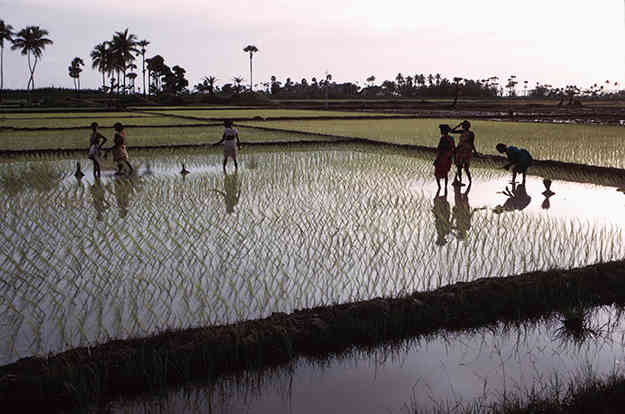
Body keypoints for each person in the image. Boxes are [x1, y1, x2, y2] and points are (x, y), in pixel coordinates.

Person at [450, 120, 477, 186]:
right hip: (460, 150)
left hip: (466, 150)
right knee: (459, 166)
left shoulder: (471, 133)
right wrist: (458, 125)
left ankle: (468, 181)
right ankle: (461, 181)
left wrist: (475, 151)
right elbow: (451, 131)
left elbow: (472, 143)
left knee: (465, 167)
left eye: (463, 125)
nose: (462, 126)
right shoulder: (463, 132)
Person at [434, 124, 455, 195]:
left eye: (441, 130)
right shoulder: (451, 138)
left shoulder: (443, 139)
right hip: (448, 157)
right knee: (445, 172)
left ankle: (439, 187)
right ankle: (445, 187)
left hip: (442, 157)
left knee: (437, 173)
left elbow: (439, 149)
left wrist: (437, 158)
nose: (440, 131)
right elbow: (453, 148)